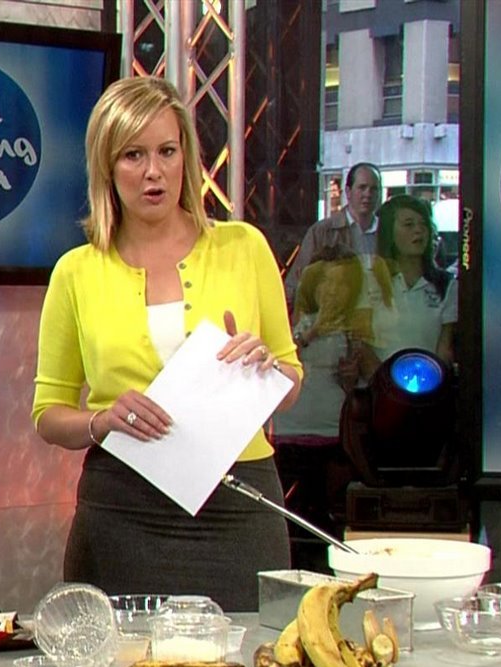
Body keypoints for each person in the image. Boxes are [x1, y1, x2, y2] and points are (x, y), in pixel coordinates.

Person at [31, 75, 303, 612]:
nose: (153, 171)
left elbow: (291, 383)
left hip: (238, 505)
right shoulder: (76, 272)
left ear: (187, 158)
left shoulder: (244, 248)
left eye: (166, 151)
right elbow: (47, 414)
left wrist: (266, 368)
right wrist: (102, 420)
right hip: (124, 510)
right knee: (124, 659)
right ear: (107, 167)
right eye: (133, 155)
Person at [272, 249, 378, 570]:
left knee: (326, 514)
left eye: (342, 283)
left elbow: (365, 384)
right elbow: (279, 361)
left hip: (334, 436)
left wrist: (351, 376)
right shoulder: (293, 325)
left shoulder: (352, 330)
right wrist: (314, 330)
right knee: (290, 514)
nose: (333, 291)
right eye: (325, 282)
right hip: (289, 433)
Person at [370, 194, 458, 365]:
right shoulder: (370, 281)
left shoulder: (446, 284)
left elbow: (444, 349)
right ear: (389, 232)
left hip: (428, 378)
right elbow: (360, 344)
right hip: (379, 379)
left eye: (423, 224)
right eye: (409, 224)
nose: (418, 230)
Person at [284, 162, 381, 304]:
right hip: (334, 314)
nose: (368, 194)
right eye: (362, 188)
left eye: (374, 189)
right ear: (348, 192)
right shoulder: (323, 232)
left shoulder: (388, 232)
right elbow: (295, 285)